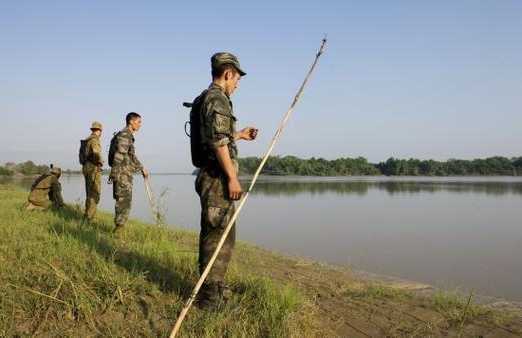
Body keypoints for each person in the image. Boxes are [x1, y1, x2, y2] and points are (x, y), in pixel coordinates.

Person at [195, 52, 258, 306]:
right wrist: (232, 178)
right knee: (217, 236)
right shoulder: (217, 99)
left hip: (212, 176)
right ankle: (210, 297)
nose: (238, 84)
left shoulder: (207, 98)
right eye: (237, 79)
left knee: (218, 232)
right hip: (217, 177)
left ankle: (214, 287)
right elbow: (218, 142)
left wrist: (239, 135)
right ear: (228, 73)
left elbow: (216, 135)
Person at [109, 112, 149, 234]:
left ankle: (119, 229)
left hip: (124, 174)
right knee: (123, 202)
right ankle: (118, 232)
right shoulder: (125, 135)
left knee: (124, 201)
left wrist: (141, 168)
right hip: (122, 174)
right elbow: (119, 155)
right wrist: (114, 173)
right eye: (138, 122)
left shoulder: (127, 136)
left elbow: (131, 156)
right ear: (131, 121)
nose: (140, 125)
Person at [82, 121, 104, 221]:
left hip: (86, 167)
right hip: (93, 168)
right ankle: (89, 218)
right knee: (95, 193)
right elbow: (95, 152)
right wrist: (100, 161)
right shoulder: (95, 140)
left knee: (89, 193)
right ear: (99, 130)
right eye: (100, 130)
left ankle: (87, 215)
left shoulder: (88, 139)